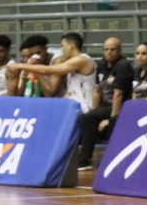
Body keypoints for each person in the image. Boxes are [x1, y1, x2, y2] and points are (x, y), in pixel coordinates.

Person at [75, 36, 130, 170]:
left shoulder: (123, 66)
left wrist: (112, 118)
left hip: (121, 107)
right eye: (106, 49)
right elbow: (97, 91)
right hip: (105, 107)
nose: (109, 52)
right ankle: (85, 159)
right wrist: (95, 112)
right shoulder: (101, 65)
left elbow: (118, 95)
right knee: (87, 118)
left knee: (112, 123)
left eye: (113, 49)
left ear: (119, 51)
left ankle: (111, 158)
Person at [10, 31, 96, 114]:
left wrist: (21, 66)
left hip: (85, 109)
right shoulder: (72, 61)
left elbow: (50, 70)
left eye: (63, 46)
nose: (62, 50)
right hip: (73, 107)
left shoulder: (81, 60)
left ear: (71, 46)